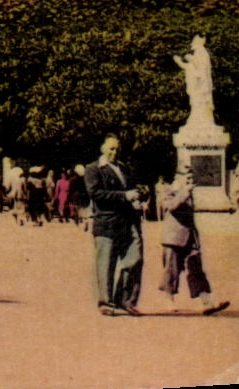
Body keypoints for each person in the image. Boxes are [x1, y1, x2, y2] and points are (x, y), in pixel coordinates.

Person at [84, 135, 144, 316]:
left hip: (128, 220)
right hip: (107, 221)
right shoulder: (94, 169)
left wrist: (139, 195)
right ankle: (106, 302)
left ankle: (124, 299)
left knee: (135, 257)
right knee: (106, 264)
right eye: (111, 148)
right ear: (102, 148)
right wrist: (125, 196)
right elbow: (96, 193)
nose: (114, 152)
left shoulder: (123, 168)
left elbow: (132, 188)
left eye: (117, 149)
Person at [157, 165, 229, 315]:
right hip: (173, 237)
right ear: (178, 177)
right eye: (188, 178)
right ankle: (168, 300)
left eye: (192, 178)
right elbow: (171, 206)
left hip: (190, 237)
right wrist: (185, 191)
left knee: (196, 268)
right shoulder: (168, 190)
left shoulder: (188, 193)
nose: (191, 181)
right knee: (172, 270)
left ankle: (206, 302)